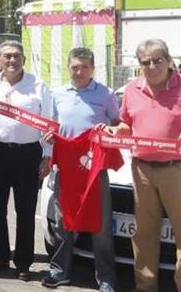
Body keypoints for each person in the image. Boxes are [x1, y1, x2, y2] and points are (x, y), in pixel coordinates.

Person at [103, 38, 180, 292]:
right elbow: (126, 124)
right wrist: (115, 132)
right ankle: (145, 286)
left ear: (169, 61)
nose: (152, 66)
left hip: (176, 169)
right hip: (141, 168)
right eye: (145, 62)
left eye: (158, 60)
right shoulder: (132, 89)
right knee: (144, 233)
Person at [41, 47, 118, 292]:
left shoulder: (105, 94)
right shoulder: (58, 94)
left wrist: (110, 131)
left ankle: (105, 278)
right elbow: (51, 127)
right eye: (75, 66)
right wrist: (50, 138)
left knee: (101, 226)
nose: (80, 71)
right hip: (66, 169)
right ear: (68, 67)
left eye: (85, 67)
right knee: (63, 223)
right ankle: (59, 271)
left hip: (95, 170)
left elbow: (117, 125)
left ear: (93, 68)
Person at [0, 40, 51, 282]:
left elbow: (49, 122)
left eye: (16, 56)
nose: (11, 60)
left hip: (27, 154)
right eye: (7, 56)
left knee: (25, 210)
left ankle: (23, 263)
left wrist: (47, 155)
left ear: (23, 59)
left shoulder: (39, 85)